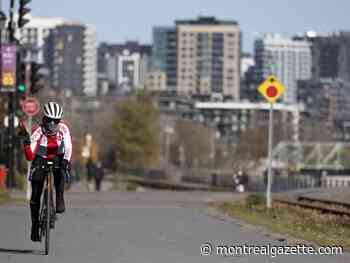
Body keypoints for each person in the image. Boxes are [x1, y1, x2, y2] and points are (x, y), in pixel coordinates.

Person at [19, 102, 72, 242]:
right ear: (44, 119)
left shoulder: (64, 129)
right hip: (40, 158)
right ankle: (35, 225)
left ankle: (59, 196)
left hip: (58, 157)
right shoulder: (38, 131)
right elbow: (30, 156)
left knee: (62, 170)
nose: (53, 123)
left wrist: (66, 161)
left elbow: (68, 147)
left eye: (56, 121)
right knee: (36, 194)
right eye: (50, 120)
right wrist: (25, 142)